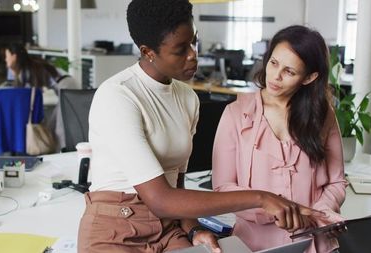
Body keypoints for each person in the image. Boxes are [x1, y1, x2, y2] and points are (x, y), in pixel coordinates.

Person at [77, 2, 323, 252]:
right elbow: (161, 199)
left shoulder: (187, 97)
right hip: (116, 228)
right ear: (148, 51)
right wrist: (262, 197)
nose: (193, 55)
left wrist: (194, 228)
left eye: (194, 42)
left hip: (167, 227)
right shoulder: (118, 96)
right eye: (180, 49)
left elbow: (177, 186)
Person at [212, 25, 348, 253]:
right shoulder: (236, 113)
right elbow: (222, 188)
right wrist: (271, 210)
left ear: (309, 77)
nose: (275, 76)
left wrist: (323, 212)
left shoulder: (323, 115)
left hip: (315, 244)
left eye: (289, 71)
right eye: (273, 63)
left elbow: (336, 182)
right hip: (252, 245)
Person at [4, 43, 78, 149]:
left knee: (60, 126)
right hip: (66, 85)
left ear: (14, 57)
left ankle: (63, 153)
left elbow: (26, 94)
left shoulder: (26, 70)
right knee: (52, 124)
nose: (6, 60)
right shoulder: (30, 66)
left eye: (7, 56)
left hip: (67, 87)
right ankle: (56, 151)